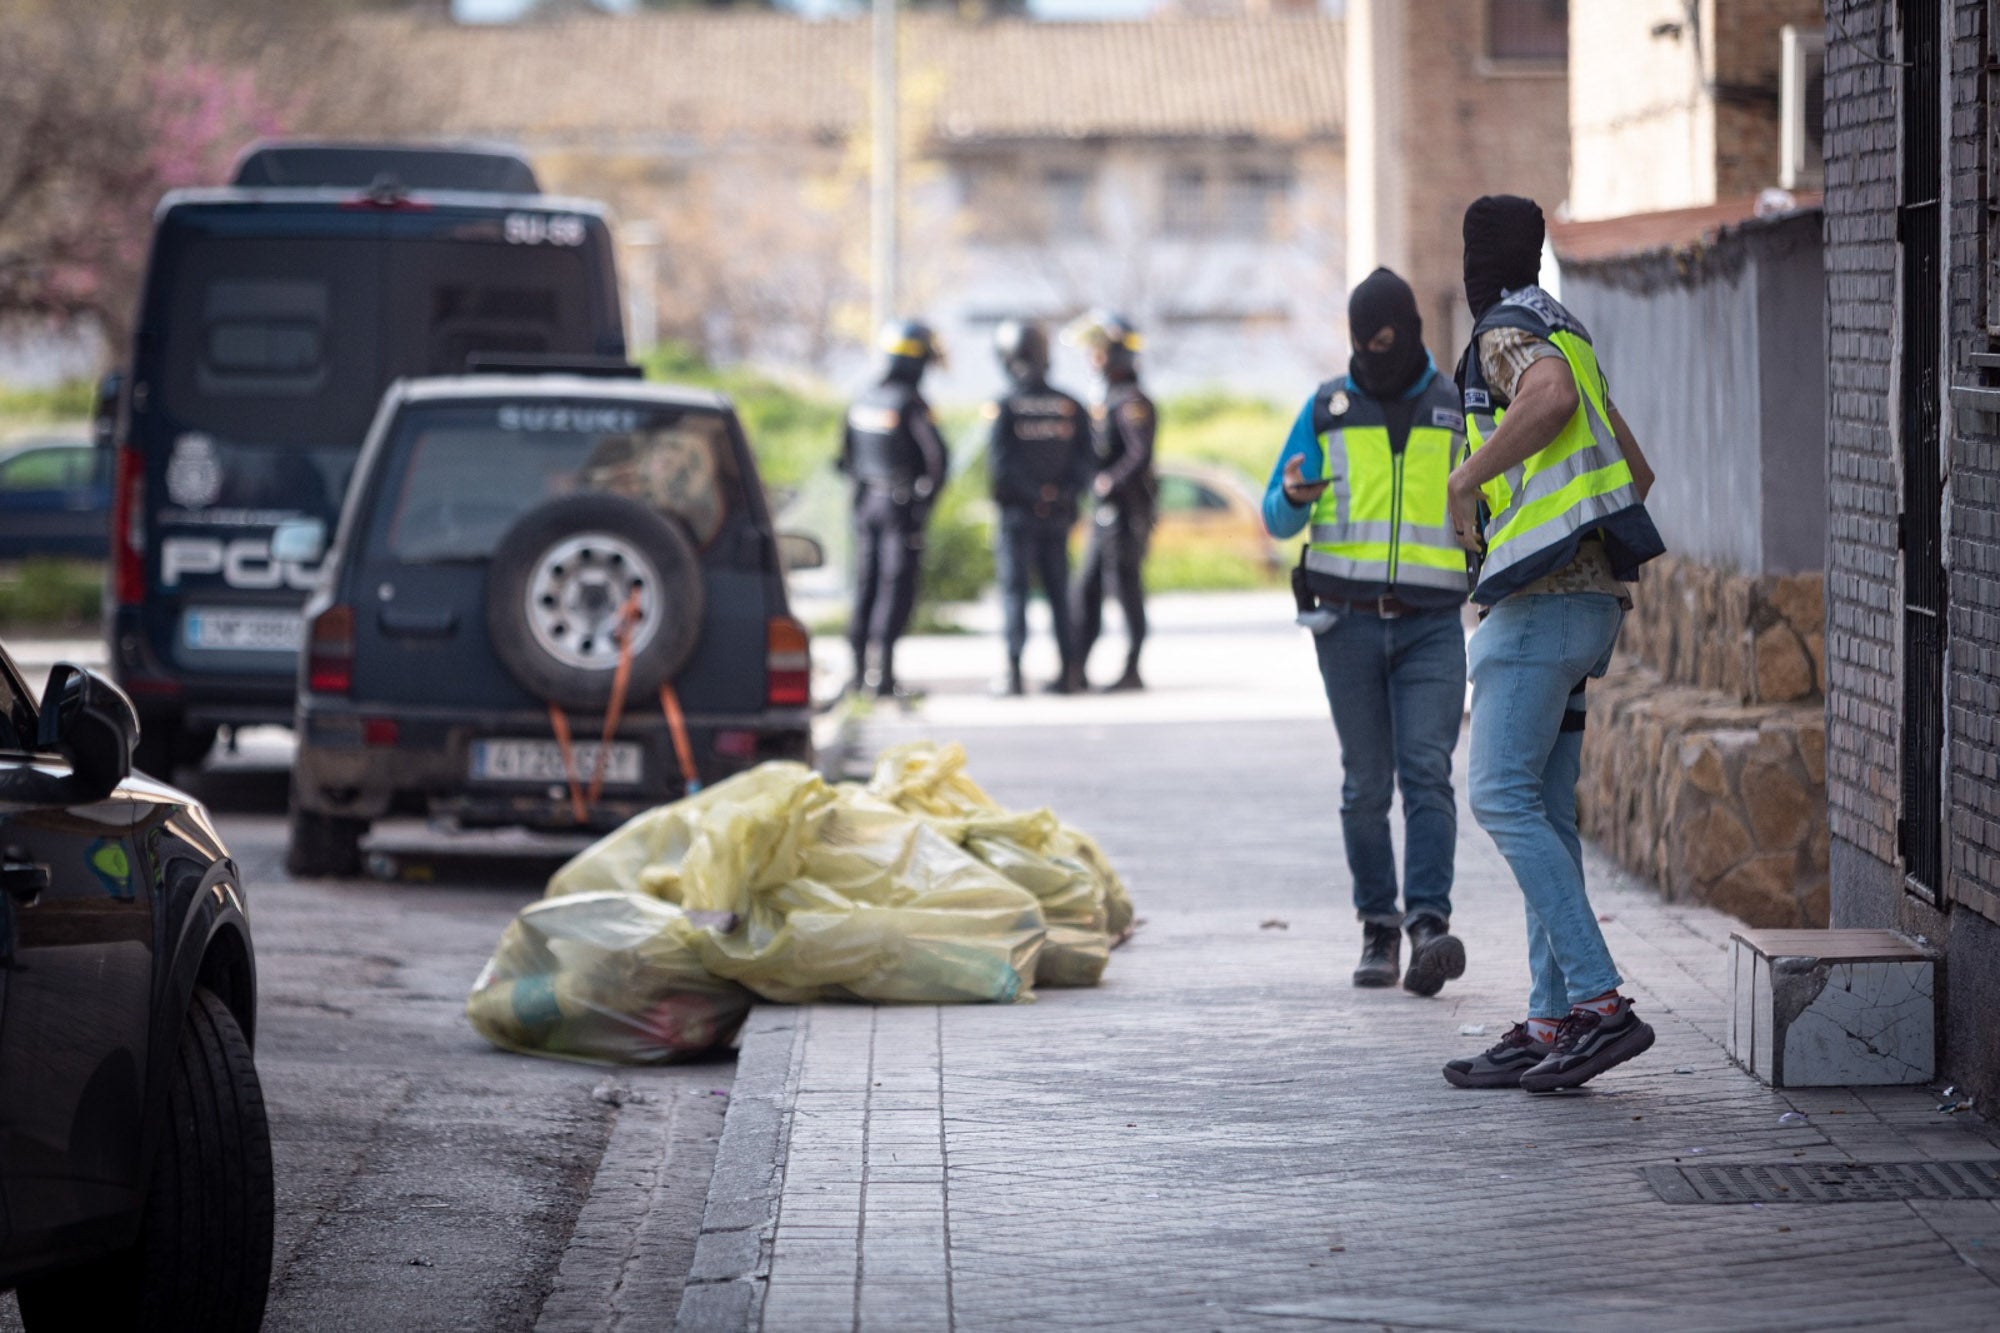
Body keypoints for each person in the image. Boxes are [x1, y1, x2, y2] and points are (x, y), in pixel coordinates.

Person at [1441, 195, 1666, 1093]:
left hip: (1538, 605)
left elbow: (1551, 398)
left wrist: (1467, 478)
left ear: (1477, 260)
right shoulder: (1567, 330)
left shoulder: (1505, 331)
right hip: (1590, 606)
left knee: (1498, 795)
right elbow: (1635, 471)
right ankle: (1551, 1019)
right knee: (1544, 809)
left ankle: (1601, 1004)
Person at [1262, 268, 1472, 995]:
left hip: (1432, 625)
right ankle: (1378, 927)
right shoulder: (1328, 409)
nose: (1373, 353)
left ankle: (1428, 926)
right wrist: (1293, 497)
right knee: (1365, 784)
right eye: (1361, 342)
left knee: (1427, 773)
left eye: (1385, 340)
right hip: (1346, 626)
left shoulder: (1456, 409)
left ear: (1412, 332)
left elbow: (1495, 500)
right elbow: (1275, 513)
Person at [837, 320, 950, 700]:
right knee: (894, 587)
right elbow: (938, 459)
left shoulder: (863, 398)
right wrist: (923, 503)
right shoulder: (911, 404)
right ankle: (882, 676)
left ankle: (857, 674)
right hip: (898, 509)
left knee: (866, 585)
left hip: (865, 504)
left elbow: (845, 458)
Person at [986, 319, 1095, 696]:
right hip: (1058, 517)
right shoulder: (1070, 406)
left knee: (1015, 594)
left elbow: (1000, 467)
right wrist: (1057, 495)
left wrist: (1033, 495)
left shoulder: (1005, 406)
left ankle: (1015, 675)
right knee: (1060, 594)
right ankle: (1069, 673)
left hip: (1018, 518)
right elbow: (1086, 463)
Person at [1065, 311, 1156, 692]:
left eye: (1099, 351)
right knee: (1086, 590)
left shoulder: (1132, 402)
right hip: (1105, 514)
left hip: (1127, 513)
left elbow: (1138, 454)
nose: (1093, 359)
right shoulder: (1106, 400)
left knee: (1126, 589)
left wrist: (1108, 481)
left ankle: (1132, 668)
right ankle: (1076, 669)